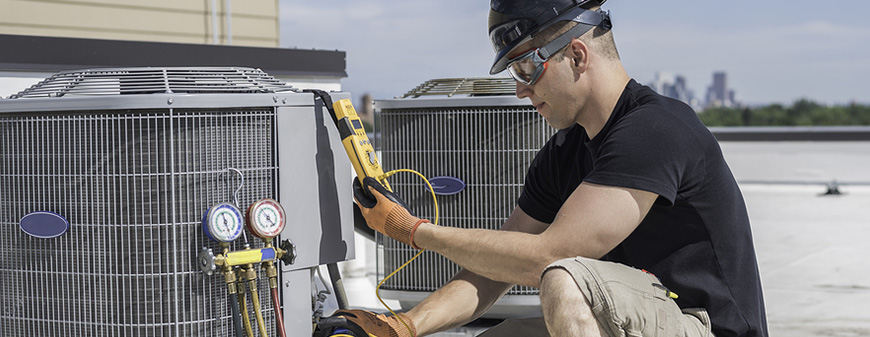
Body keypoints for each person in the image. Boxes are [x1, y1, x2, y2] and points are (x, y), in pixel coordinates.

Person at [320, 0, 768, 336]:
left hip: (705, 327)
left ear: (577, 54)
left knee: (564, 277)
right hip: (646, 318)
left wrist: (413, 229)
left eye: (527, 67)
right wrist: (408, 325)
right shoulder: (564, 153)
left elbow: (549, 256)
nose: (520, 91)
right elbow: (492, 269)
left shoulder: (655, 129)